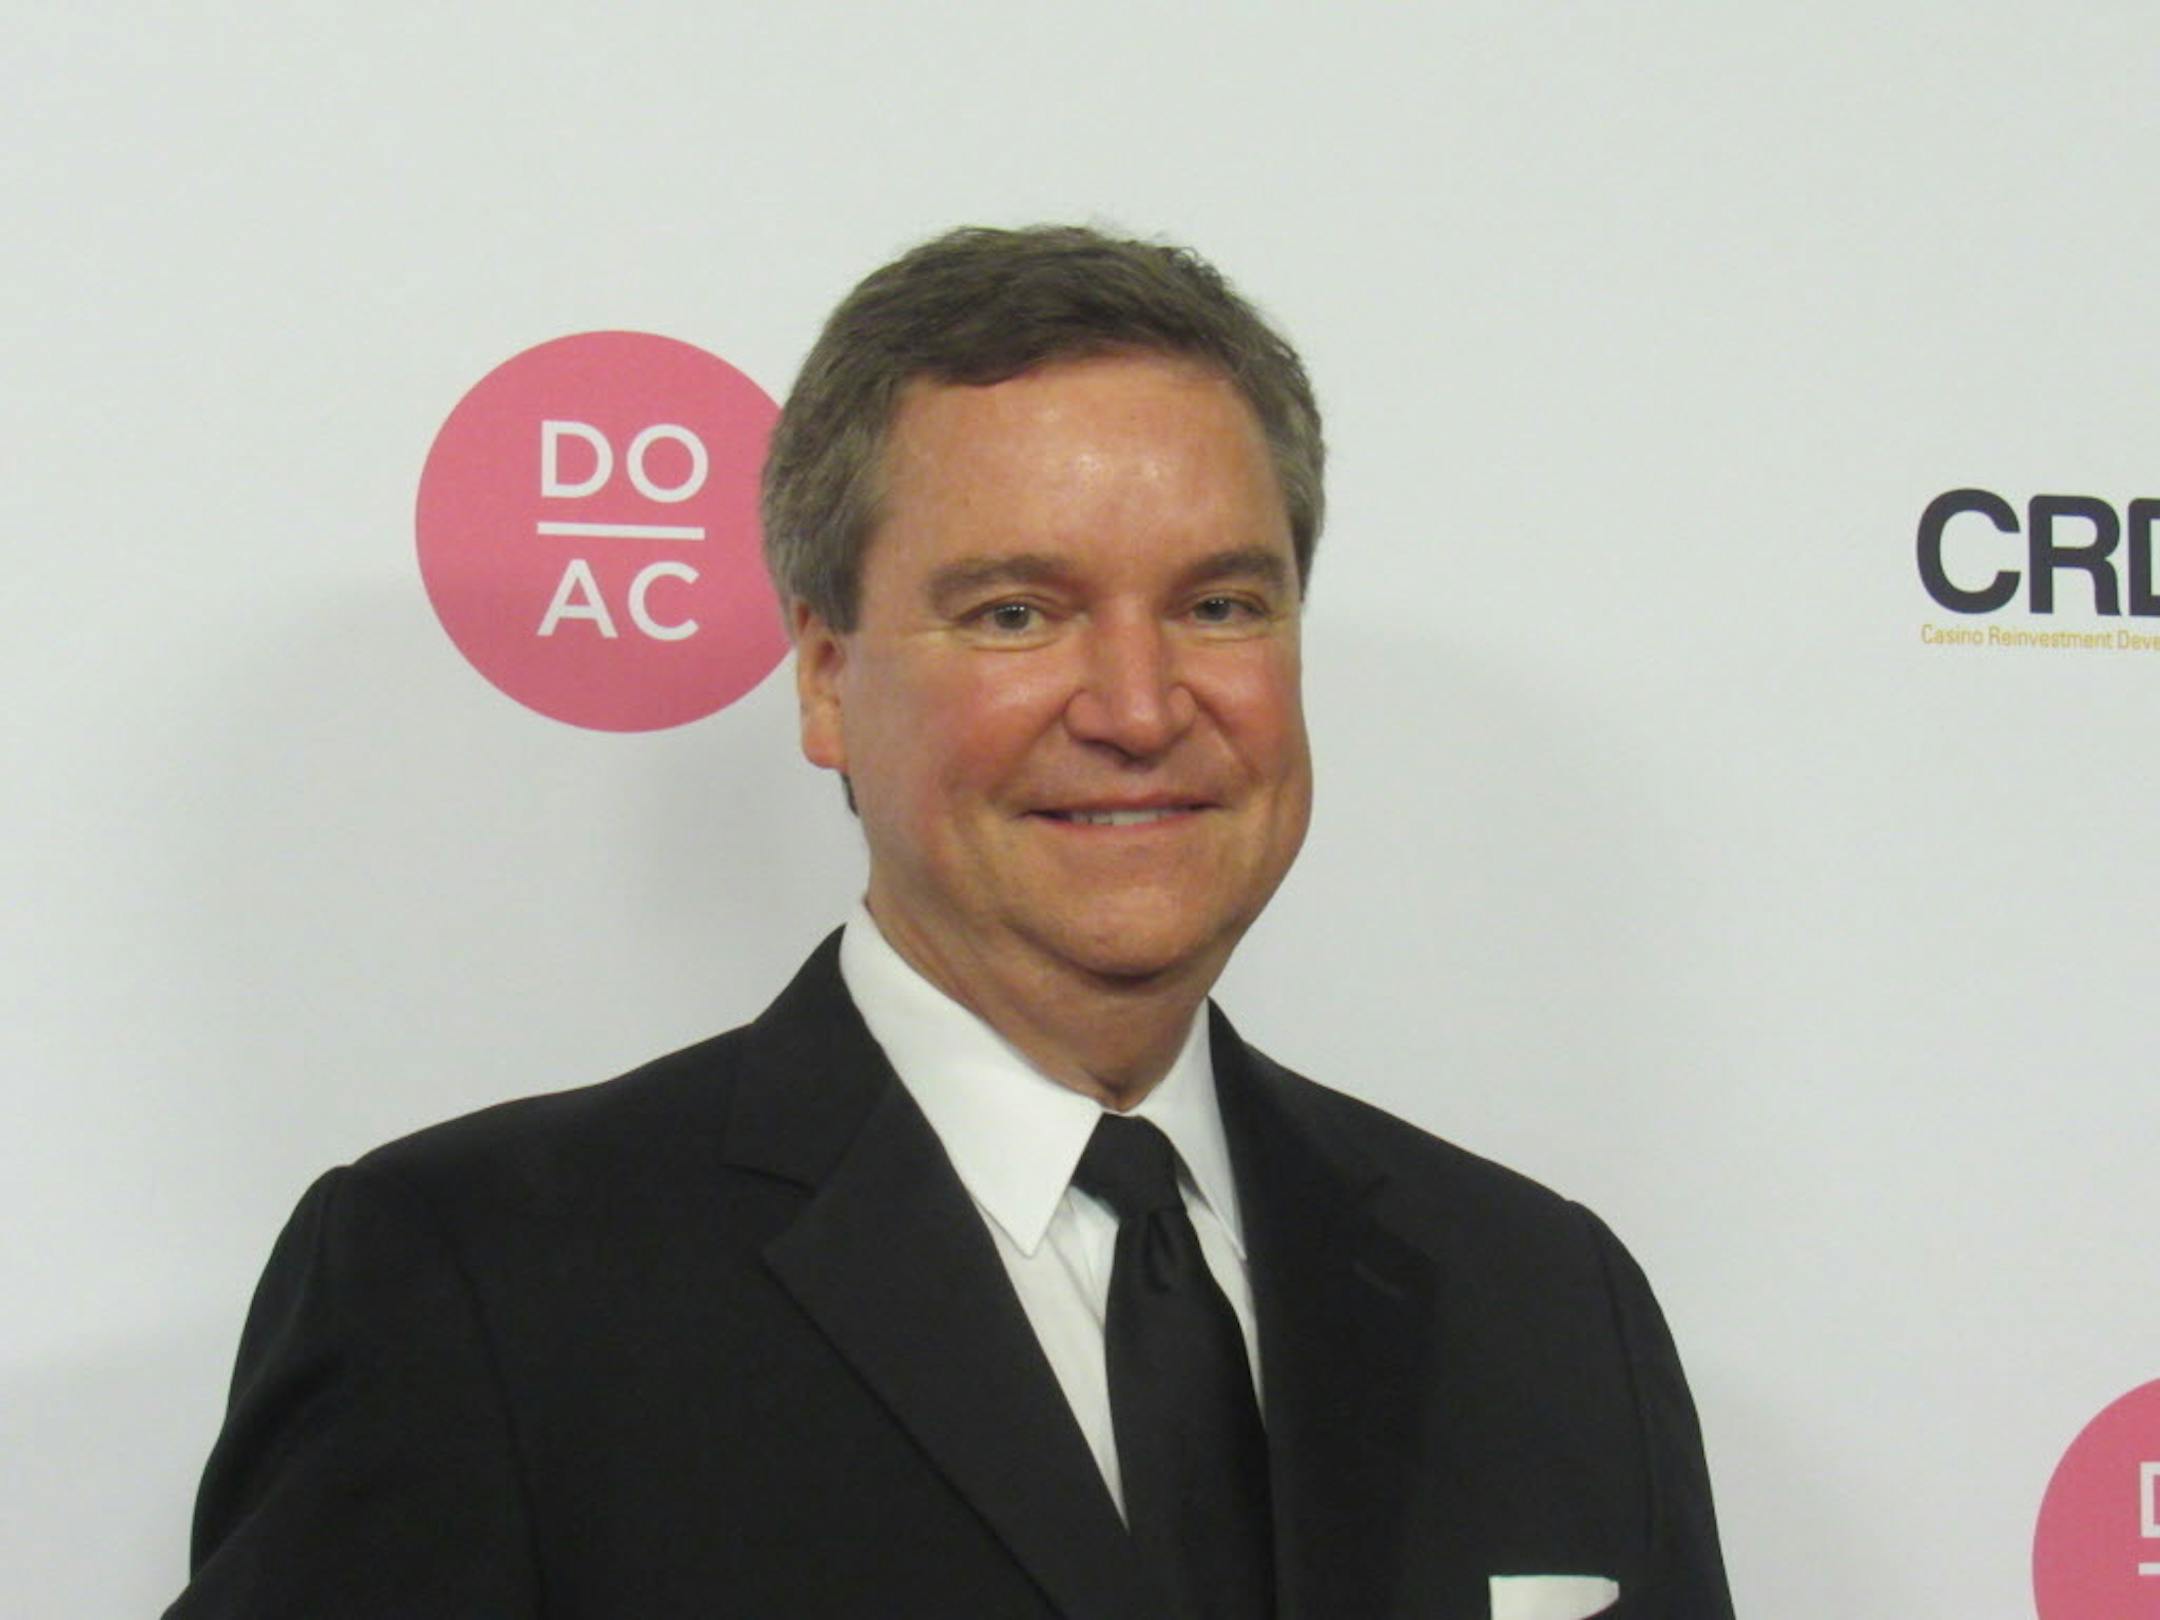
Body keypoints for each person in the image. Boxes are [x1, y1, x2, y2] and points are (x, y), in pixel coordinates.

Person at [168, 226, 1735, 1620]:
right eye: (1016, 613)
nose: (1138, 707)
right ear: (829, 680)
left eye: (1219, 604)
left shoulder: (1541, 1296)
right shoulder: (477, 1288)